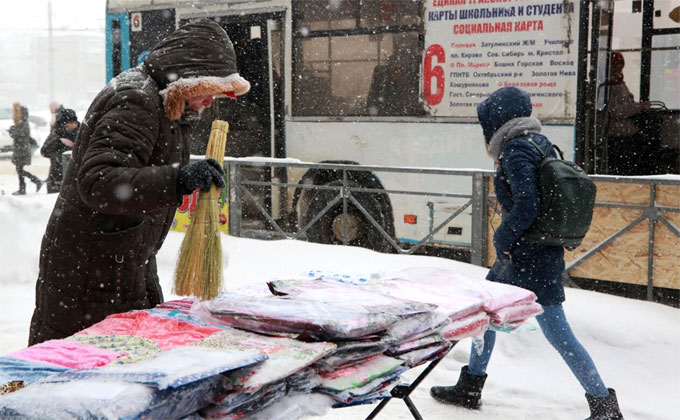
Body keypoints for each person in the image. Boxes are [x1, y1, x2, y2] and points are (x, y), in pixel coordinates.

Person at [28, 20, 250, 345]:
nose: (210, 102)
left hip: (119, 265)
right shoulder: (137, 100)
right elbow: (99, 181)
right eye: (210, 89)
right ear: (188, 79)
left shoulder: (166, 107)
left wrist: (185, 180)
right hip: (91, 276)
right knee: (77, 377)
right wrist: (177, 180)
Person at [430, 87, 624, 420]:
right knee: (488, 316)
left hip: (525, 256)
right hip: (539, 252)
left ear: (497, 121)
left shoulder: (516, 150)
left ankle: (603, 404)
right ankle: (472, 385)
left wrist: (503, 238)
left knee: (554, 331)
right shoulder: (538, 142)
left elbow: (528, 204)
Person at [604, 52, 652, 175]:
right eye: (616, 66)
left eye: (621, 66)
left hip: (626, 132)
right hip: (616, 134)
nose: (619, 70)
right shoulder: (606, 85)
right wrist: (638, 107)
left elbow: (627, 102)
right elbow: (616, 111)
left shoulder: (619, 82)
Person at [41, 108, 79, 193]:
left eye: (75, 123)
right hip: (56, 179)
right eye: (70, 123)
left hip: (75, 178)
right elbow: (44, 151)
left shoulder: (80, 133)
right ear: (63, 124)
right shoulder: (56, 133)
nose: (73, 125)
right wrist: (59, 141)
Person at [8, 103, 42, 195]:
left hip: (22, 150)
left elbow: (17, 135)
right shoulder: (21, 123)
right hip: (20, 150)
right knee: (19, 169)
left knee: (19, 169)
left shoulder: (24, 123)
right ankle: (25, 187)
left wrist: (11, 129)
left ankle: (34, 182)